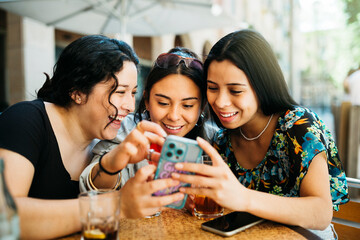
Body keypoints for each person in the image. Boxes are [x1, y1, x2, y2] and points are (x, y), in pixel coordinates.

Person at [171, 29, 349, 239]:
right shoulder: (223, 141)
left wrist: (243, 197)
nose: (220, 102)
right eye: (212, 88)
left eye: (235, 91)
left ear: (262, 85)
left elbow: (321, 213)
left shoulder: (299, 127)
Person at [0, 35, 182, 239]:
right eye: (120, 92)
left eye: (133, 93)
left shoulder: (105, 142)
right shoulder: (25, 120)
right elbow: (4, 216)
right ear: (77, 91)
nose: (130, 106)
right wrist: (117, 204)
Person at [80, 47, 218, 210]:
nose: (174, 116)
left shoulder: (215, 142)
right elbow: (92, 193)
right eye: (163, 103)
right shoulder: (124, 131)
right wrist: (112, 164)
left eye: (187, 105)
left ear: (202, 107)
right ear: (146, 100)